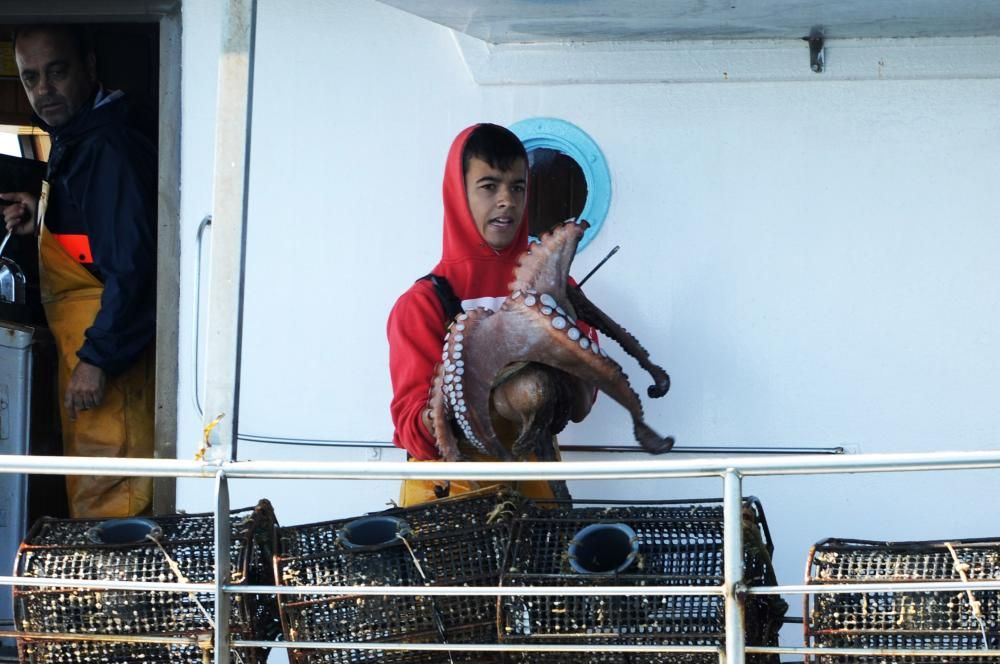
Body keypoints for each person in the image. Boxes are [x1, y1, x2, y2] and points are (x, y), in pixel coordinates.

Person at [387, 123, 595, 507]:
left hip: (537, 492)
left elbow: (582, 404)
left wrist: (568, 366)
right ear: (458, 193)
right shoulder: (422, 303)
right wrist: (458, 397)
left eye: (518, 187)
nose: (507, 201)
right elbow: (410, 426)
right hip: (448, 503)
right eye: (489, 186)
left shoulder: (556, 290)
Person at [0, 25, 157, 518]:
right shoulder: (79, 139)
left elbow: (132, 267)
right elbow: (96, 237)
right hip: (89, 356)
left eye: (57, 72)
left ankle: (118, 598)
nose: (43, 90)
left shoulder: (106, 147)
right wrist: (43, 214)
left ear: (89, 66)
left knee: (113, 502)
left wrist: (97, 359)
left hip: (108, 365)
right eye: (30, 78)